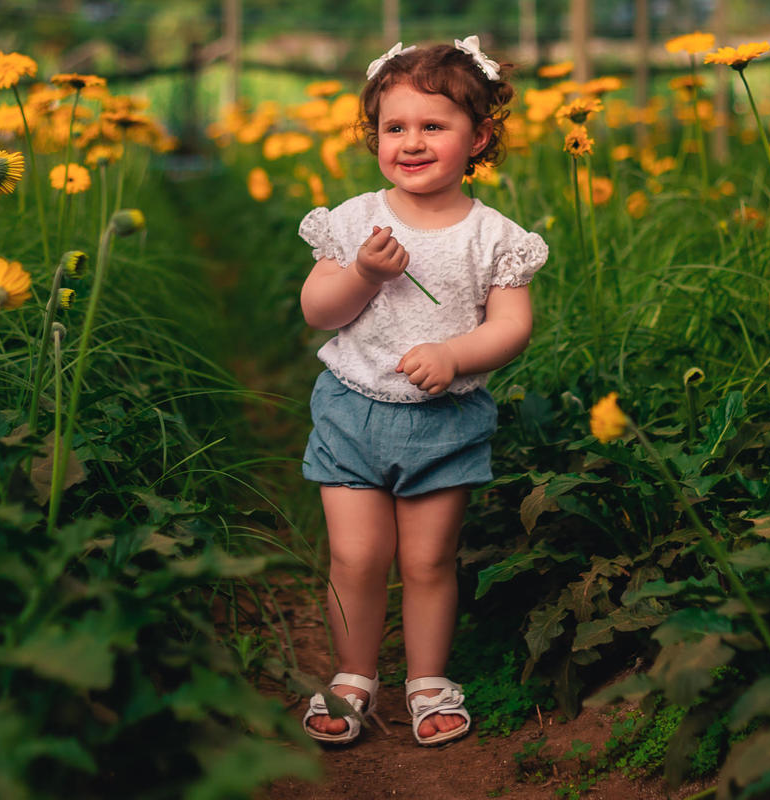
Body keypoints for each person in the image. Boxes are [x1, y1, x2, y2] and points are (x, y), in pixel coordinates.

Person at [297, 38, 547, 746]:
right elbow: (318, 310)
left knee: (428, 561)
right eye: (394, 127)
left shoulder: (493, 237)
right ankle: (353, 676)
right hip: (351, 410)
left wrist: (453, 354)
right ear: (375, 135)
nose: (411, 142)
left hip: (446, 420)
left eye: (433, 126)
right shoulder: (354, 222)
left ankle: (428, 680)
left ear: (479, 137)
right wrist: (363, 275)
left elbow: (512, 327)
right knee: (356, 558)